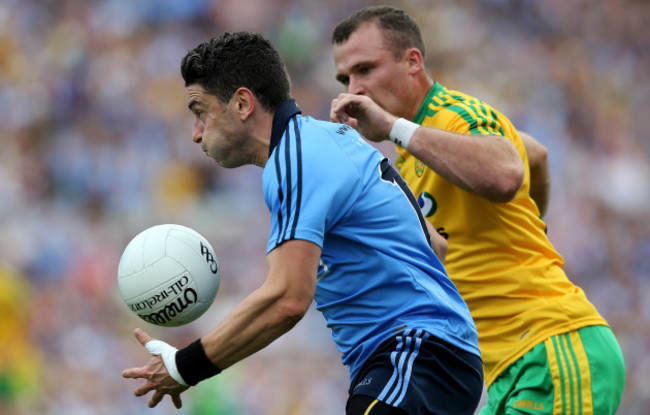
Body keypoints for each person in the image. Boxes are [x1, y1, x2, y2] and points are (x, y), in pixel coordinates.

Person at [121, 31, 484, 415]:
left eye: (200, 112)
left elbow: (289, 299)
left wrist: (184, 365)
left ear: (243, 103)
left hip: (415, 352)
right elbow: (435, 245)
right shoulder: (327, 140)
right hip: (429, 356)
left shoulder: (297, 158)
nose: (195, 134)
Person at [329, 6, 625, 415]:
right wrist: (526, 227)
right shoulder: (415, 156)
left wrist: (394, 126)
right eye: (345, 78)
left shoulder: (457, 116)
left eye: (365, 69)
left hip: (549, 348)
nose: (354, 88)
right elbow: (534, 155)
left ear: (412, 61)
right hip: (512, 368)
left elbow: (507, 173)